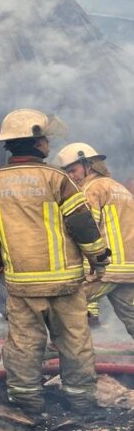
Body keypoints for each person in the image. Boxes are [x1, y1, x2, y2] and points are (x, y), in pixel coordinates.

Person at [0, 110, 109, 416]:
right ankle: (81, 403)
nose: (48, 143)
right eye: (45, 139)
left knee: (24, 343)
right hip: (65, 283)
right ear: (36, 143)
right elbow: (81, 223)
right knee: (74, 341)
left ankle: (27, 404)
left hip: (22, 283)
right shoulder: (56, 178)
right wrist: (98, 257)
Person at [57, 142, 134, 336]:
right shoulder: (119, 188)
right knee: (131, 315)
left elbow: (87, 231)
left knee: (65, 307)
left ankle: (60, 351)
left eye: (73, 170)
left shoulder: (90, 190)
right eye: (67, 173)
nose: (71, 176)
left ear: (88, 165)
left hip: (105, 266)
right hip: (128, 268)